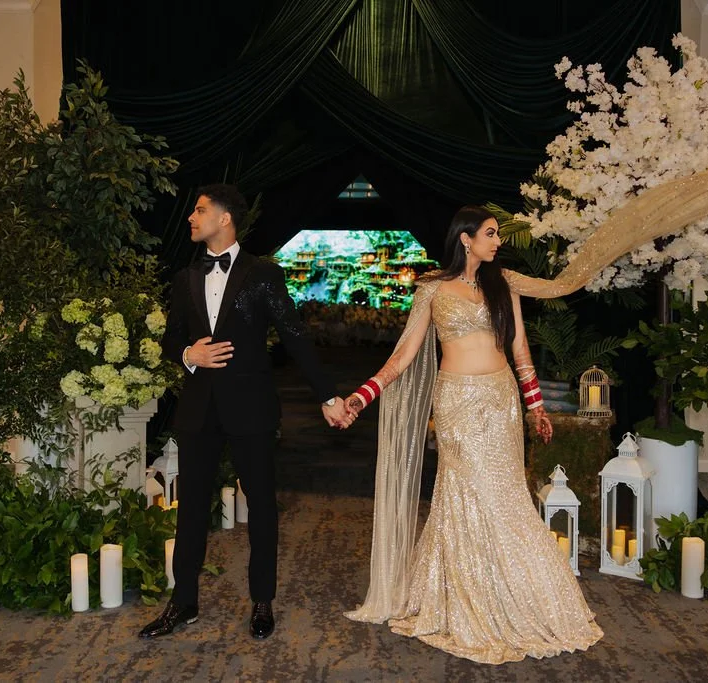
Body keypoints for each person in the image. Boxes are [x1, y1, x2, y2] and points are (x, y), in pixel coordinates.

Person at [342, 205, 603, 664]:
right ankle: (466, 598)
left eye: (497, 234)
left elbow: (520, 348)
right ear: (465, 238)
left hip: (500, 401)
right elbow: (402, 357)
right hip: (457, 403)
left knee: (506, 495)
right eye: (490, 233)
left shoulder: (505, 286)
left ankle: (517, 599)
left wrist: (535, 406)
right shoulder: (432, 290)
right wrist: (362, 397)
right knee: (468, 491)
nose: (497, 241)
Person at [139, 184, 353, 641]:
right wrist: (188, 353)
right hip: (198, 410)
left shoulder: (262, 275)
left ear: (225, 219)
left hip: (251, 409)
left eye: (199, 210)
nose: (191, 218)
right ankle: (183, 604)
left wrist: (328, 395)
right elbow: (170, 339)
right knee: (190, 508)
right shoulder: (185, 278)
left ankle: (261, 602)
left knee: (262, 508)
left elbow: (294, 336)